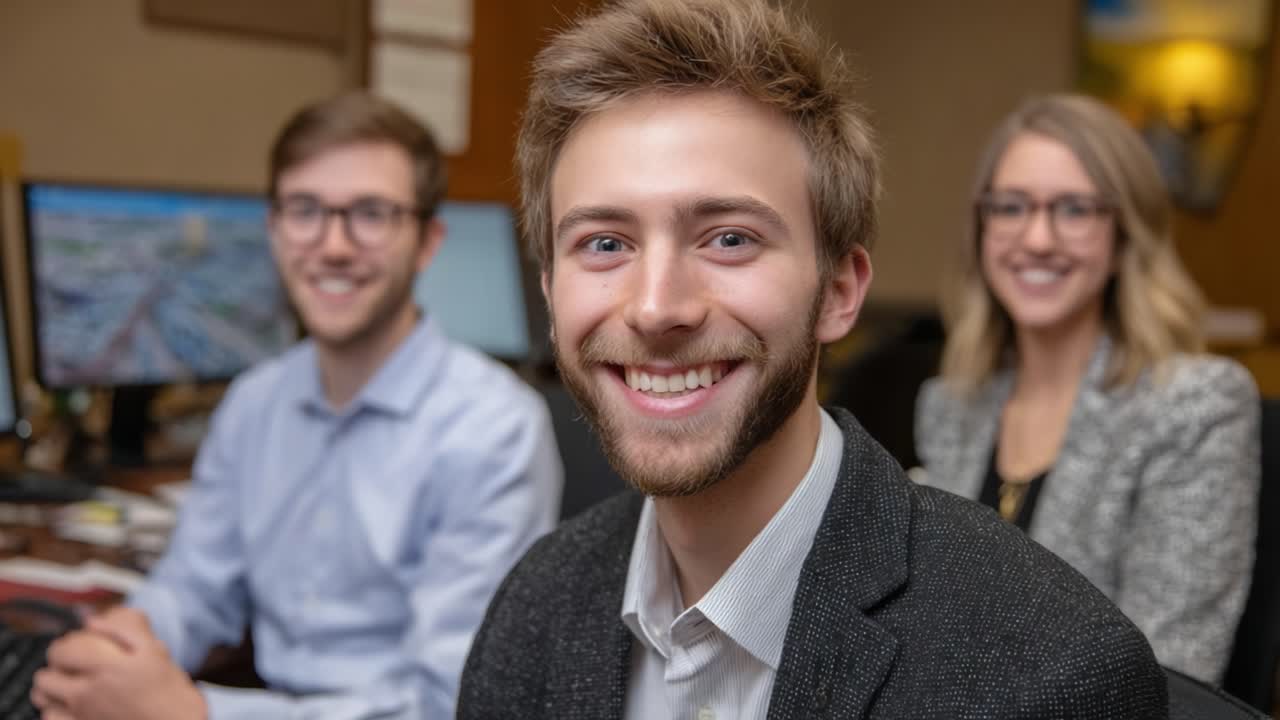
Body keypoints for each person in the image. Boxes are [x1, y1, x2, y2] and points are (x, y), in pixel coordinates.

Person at [457, 1, 1167, 717]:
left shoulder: (1054, 673)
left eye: (728, 238)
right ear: (549, 291)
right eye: (605, 243)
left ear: (838, 290)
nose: (655, 306)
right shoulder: (534, 609)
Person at [31, 92, 564, 719]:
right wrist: (109, 656)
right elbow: (194, 589)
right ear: (275, 229)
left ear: (427, 241)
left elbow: (446, 705)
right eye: (305, 210)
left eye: (370, 213)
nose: (333, 246)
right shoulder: (254, 404)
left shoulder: (494, 429)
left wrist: (192, 714)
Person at [914, 93, 1260, 683]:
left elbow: (1171, 672)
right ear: (982, 229)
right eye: (1012, 207)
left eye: (1074, 209)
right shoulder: (950, 404)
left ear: (1125, 235)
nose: (1038, 239)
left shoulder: (1197, 404)